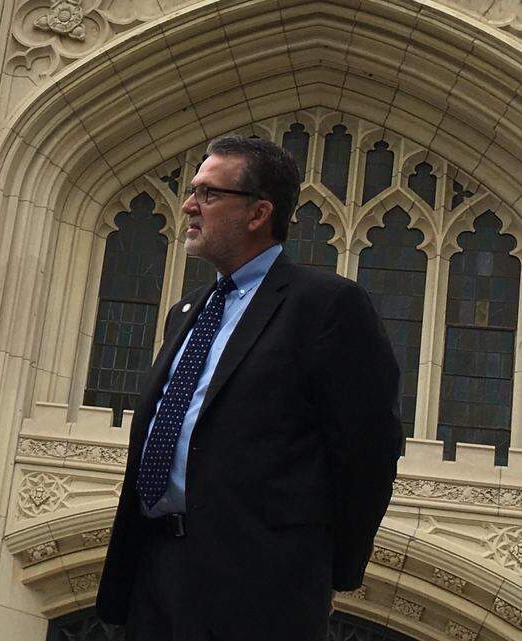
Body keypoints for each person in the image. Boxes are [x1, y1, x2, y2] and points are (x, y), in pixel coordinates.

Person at [95, 135, 402, 640]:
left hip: (260, 587)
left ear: (259, 213)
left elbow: (367, 453)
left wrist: (324, 570)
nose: (189, 205)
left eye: (209, 194)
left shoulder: (326, 306)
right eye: (192, 190)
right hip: (155, 572)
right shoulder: (186, 312)